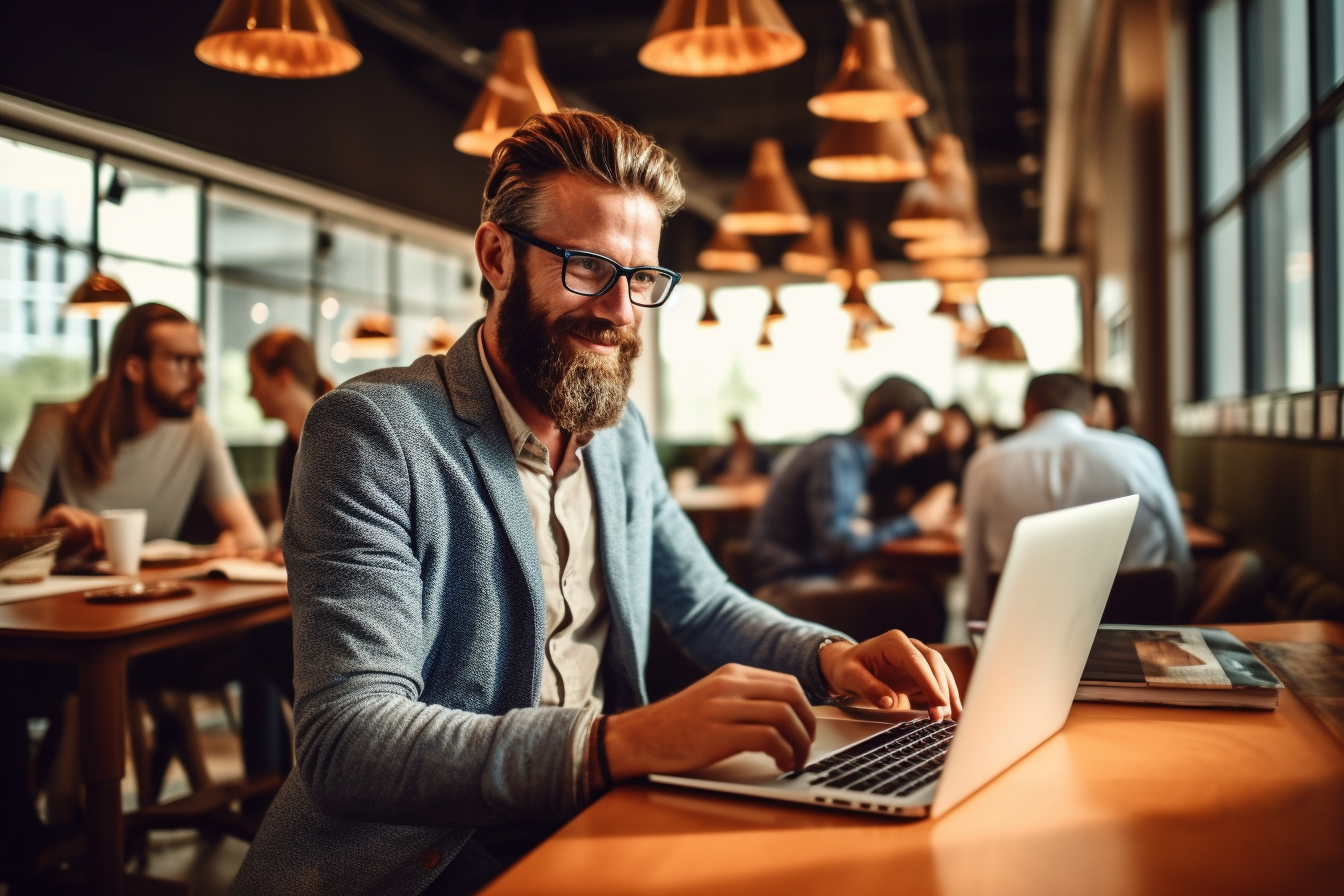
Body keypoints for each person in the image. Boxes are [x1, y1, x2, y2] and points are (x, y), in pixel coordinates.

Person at [231, 111, 961, 896]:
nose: (619, 309)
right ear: (497, 255)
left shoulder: (620, 436)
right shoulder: (374, 432)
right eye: (587, 267)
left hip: (591, 822)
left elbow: (705, 603)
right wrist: (615, 744)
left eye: (641, 278)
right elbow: (350, 743)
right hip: (419, 864)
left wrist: (832, 658)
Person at [0, 302, 265, 555]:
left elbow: (251, 535)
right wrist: (44, 533)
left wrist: (233, 541)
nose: (199, 376)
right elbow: (4, 540)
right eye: (181, 360)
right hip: (68, 597)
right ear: (134, 368)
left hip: (156, 593)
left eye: (198, 360)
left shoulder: (197, 430)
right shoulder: (55, 426)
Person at [961, 372, 1192, 620]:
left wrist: (978, 625)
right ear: (1088, 413)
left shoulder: (984, 465)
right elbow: (1178, 556)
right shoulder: (1141, 457)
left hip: (1026, 631)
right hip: (1135, 628)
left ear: (1027, 408)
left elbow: (975, 568)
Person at [748, 376, 958, 593]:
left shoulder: (851, 458)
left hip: (815, 572)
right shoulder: (835, 457)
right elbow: (837, 546)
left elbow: (847, 536)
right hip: (789, 582)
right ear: (893, 422)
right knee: (920, 601)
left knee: (910, 590)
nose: (921, 446)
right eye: (919, 433)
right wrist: (915, 522)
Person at [247, 328, 333, 527]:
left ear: (282, 377)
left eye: (254, 378)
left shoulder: (339, 441)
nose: (250, 393)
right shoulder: (288, 451)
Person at [870, 402, 979, 518]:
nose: (950, 432)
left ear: (968, 427)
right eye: (946, 426)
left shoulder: (976, 457)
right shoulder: (930, 453)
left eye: (955, 426)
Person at [698, 416, 772, 486]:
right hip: (728, 491)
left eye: (738, 431)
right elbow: (713, 476)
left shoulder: (759, 454)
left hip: (752, 490)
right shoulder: (723, 455)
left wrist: (747, 480)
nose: (737, 435)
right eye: (733, 432)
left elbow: (767, 476)